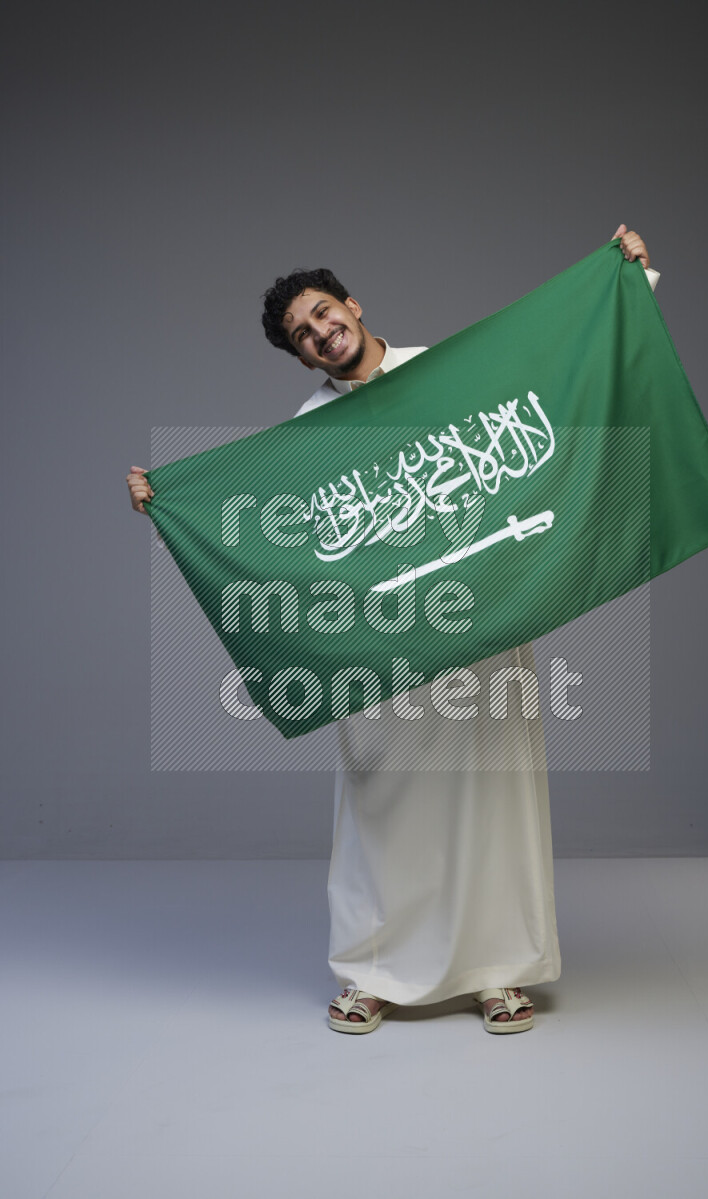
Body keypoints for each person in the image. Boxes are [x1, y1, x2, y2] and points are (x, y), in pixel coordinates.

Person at [127, 224, 657, 1033]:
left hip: (483, 619)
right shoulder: (311, 432)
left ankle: (498, 971)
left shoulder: (447, 374)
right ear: (302, 357)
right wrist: (169, 506)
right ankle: (372, 971)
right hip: (386, 643)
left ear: (352, 305)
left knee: (493, 797)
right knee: (383, 807)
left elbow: (553, 370)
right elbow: (262, 534)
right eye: (301, 334)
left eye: (321, 312)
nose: (317, 331)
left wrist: (630, 280)